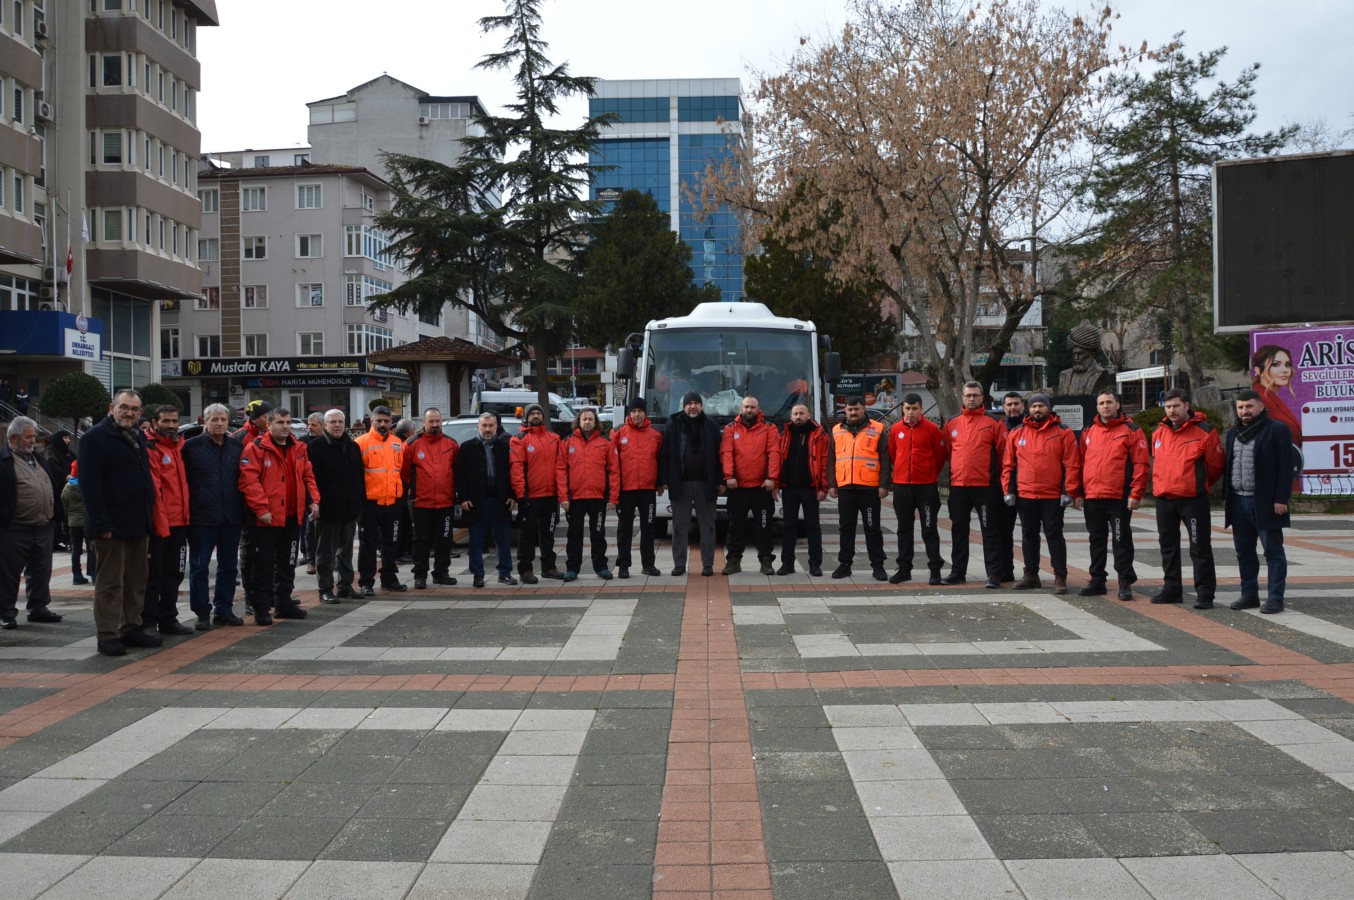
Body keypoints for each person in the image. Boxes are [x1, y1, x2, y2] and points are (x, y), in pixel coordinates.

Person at [78, 389, 160, 657]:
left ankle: (131, 627)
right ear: (111, 407)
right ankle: (108, 634)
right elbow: (90, 487)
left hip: (137, 522)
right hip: (110, 526)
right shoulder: (94, 438)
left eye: (135, 409)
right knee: (110, 583)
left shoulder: (137, 436)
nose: (130, 413)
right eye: (125, 407)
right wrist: (102, 522)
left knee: (136, 580)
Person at [238, 407, 318, 624]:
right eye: (280, 422)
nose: (285, 426)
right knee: (262, 566)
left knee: (287, 564)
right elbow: (249, 482)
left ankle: (283, 604)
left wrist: (313, 501)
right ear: (269, 425)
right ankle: (261, 609)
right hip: (266, 520)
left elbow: (307, 476)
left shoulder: (299, 448)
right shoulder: (255, 449)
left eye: (288, 422)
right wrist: (261, 509)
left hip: (292, 517)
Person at [1149, 389, 1224, 608]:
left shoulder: (1205, 431)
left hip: (1193, 500)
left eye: (1176, 406)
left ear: (1187, 405)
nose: (1172, 410)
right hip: (1164, 499)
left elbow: (1216, 465)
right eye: (1168, 406)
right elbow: (1156, 462)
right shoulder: (1158, 432)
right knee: (1168, 547)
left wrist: (1197, 483)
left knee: (1199, 547)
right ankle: (1172, 589)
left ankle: (1205, 594)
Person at [1224, 389, 1294, 614]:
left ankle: (1275, 598)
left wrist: (1281, 499)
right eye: (1241, 407)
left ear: (1260, 407)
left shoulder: (1277, 430)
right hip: (1238, 501)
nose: (1244, 411)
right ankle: (1249, 595)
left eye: (1249, 407)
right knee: (1244, 552)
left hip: (1265, 502)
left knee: (1273, 551)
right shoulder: (1233, 433)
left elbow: (1286, 467)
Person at [1003, 393, 1082, 594]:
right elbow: (1008, 465)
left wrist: (1069, 490)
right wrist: (1009, 490)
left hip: (1052, 496)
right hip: (1025, 494)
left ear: (1048, 408)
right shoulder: (1017, 433)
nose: (1037, 410)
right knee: (1028, 535)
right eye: (1034, 406)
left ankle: (1060, 576)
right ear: (1028, 409)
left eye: (1041, 406)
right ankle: (1030, 575)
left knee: (1054, 535)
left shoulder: (1063, 433)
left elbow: (1072, 464)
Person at [1075, 390, 1149, 600]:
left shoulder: (1132, 430)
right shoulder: (1088, 432)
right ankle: (1097, 580)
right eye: (1101, 403)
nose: (1105, 406)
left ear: (1118, 405)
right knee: (1096, 540)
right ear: (1097, 407)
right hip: (1092, 497)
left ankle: (1125, 581)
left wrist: (1136, 493)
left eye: (1109, 402)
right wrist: (1077, 491)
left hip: (1119, 497)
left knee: (1121, 539)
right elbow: (1080, 463)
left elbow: (1140, 464)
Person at [182, 403, 247, 629]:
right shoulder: (190, 448)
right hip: (202, 518)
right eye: (215, 419)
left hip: (231, 517)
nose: (220, 423)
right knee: (200, 567)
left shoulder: (236, 447)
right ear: (205, 421)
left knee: (229, 566)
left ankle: (224, 609)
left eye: (223, 419)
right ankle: (201, 611)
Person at [1, 417, 64, 629]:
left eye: (34, 436)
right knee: (9, 573)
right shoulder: (4, 461)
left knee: (41, 569)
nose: (33, 441)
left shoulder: (38, 457)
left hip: (43, 525)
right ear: (13, 438)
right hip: (15, 527)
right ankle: (6, 612)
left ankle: (38, 608)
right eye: (28, 437)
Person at [946, 382, 1007, 589]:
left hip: (985, 486)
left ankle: (994, 574)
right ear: (962, 398)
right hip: (959, 485)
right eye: (968, 395)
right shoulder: (952, 422)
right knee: (958, 530)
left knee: (990, 530)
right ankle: (957, 572)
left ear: (982, 397)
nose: (971, 399)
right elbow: (948, 452)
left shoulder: (993, 422)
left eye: (975, 395)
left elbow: (1001, 453)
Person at [886, 393, 949, 585]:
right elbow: (893, 455)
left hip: (926, 488)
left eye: (915, 408)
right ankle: (904, 568)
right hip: (902, 487)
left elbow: (940, 457)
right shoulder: (896, 429)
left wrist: (928, 474)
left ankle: (935, 570)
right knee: (904, 529)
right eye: (907, 408)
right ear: (902, 409)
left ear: (921, 409)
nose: (911, 412)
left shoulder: (932, 430)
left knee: (929, 529)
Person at [658, 390, 722, 577]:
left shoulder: (711, 426)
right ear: (683, 406)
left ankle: (708, 565)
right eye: (689, 403)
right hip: (680, 483)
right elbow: (665, 455)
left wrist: (720, 480)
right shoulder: (672, 425)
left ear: (701, 406)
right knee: (679, 526)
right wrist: (663, 480)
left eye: (696, 403)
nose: (692, 406)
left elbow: (720, 456)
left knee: (708, 526)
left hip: (706, 484)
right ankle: (679, 564)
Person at [827, 395, 890, 581]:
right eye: (849, 409)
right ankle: (844, 565)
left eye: (856, 409)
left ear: (864, 409)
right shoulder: (836, 430)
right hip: (846, 488)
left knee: (872, 528)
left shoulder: (877, 429)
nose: (853, 412)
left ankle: (878, 566)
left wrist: (884, 484)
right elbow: (831, 459)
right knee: (846, 528)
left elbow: (885, 459)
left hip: (869, 489)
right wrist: (832, 484)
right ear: (845, 411)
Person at [143, 405, 193, 636]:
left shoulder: (179, 446)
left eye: (175, 420)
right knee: (153, 576)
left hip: (180, 523)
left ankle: (168, 618)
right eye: (166, 421)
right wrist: (160, 525)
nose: (171, 425)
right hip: (159, 525)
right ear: (155, 422)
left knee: (175, 574)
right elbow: (154, 491)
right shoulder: (150, 447)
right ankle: (149, 622)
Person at [720, 396, 782, 576]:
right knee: (735, 526)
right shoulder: (731, 428)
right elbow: (726, 453)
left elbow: (774, 454)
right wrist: (728, 476)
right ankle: (733, 561)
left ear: (758, 409)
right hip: (737, 488)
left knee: (764, 526)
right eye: (746, 407)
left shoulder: (769, 428)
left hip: (761, 488)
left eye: (752, 407)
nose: (749, 410)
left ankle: (765, 561)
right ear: (741, 408)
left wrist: (772, 478)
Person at [308, 409, 365, 604]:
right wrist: (315, 504)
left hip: (349, 509)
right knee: (326, 553)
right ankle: (325, 589)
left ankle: (345, 586)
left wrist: (358, 502)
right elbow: (311, 479)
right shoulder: (315, 447)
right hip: (328, 510)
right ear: (325, 425)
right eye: (333, 422)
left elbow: (359, 477)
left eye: (341, 421)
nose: (338, 425)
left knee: (346, 552)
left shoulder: (352, 446)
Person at [401, 407, 459, 590]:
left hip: (445, 502)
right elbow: (404, 471)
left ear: (441, 422)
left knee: (444, 539)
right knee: (421, 540)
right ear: (423, 423)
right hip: (421, 502)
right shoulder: (412, 444)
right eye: (431, 421)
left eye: (437, 421)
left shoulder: (451, 444)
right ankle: (420, 575)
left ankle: (441, 573)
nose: (434, 424)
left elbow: (456, 470)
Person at [456, 413, 516, 588]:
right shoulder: (466, 448)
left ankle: (505, 573)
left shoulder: (505, 447)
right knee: (476, 541)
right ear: (478, 427)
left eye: (491, 425)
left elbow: (513, 473)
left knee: (503, 540)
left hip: (500, 501)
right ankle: (478, 575)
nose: (488, 429)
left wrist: (513, 495)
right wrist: (464, 497)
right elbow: (460, 476)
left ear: (496, 426)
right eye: (484, 426)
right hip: (476, 502)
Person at [355, 406, 408, 595]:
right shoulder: (360, 443)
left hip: (392, 502)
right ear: (371, 421)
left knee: (391, 542)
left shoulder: (397, 443)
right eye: (379, 421)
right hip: (369, 503)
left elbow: (401, 471)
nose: (383, 424)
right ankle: (366, 582)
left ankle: (389, 578)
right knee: (368, 544)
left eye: (386, 421)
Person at [609, 397, 663, 579]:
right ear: (629, 413)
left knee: (648, 528)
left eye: (640, 411)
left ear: (645, 413)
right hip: (626, 490)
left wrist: (660, 483)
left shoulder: (655, 434)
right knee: (625, 529)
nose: (637, 414)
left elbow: (660, 461)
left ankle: (648, 564)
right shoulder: (618, 433)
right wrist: (614, 495)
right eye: (633, 411)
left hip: (647, 490)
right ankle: (623, 564)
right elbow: (613, 466)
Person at [511, 403, 564, 583]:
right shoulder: (519, 439)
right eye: (532, 413)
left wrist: (561, 494)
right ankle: (525, 569)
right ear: (526, 417)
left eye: (538, 413)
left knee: (548, 533)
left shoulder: (554, 438)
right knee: (527, 534)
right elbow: (517, 468)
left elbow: (561, 467)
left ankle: (549, 567)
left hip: (550, 496)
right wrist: (520, 494)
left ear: (543, 417)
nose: (535, 416)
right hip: (530, 497)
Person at [558, 407, 613, 581]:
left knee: (598, 533)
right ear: (578, 422)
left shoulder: (605, 442)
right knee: (574, 534)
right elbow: (560, 471)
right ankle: (573, 568)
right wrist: (563, 497)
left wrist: (613, 498)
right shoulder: (568, 442)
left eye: (590, 419)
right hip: (575, 498)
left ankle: (601, 567)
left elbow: (614, 471)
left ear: (595, 422)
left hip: (598, 497)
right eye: (584, 419)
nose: (587, 422)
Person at [777, 402, 829, 577]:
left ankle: (815, 564)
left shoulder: (819, 434)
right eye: (795, 414)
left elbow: (824, 462)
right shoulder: (784, 434)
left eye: (801, 413)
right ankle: (787, 564)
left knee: (812, 526)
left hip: (810, 488)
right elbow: (778, 461)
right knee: (789, 527)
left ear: (809, 415)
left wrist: (823, 486)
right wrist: (776, 484)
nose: (798, 417)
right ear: (791, 417)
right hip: (789, 488)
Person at [996, 392, 1026, 583]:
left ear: (1023, 405)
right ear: (1003, 407)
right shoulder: (999, 428)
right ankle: (1006, 570)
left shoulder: (1030, 426)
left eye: (1016, 404)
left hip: (1026, 486)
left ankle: (1031, 571)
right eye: (1009, 404)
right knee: (1003, 531)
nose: (1013, 407)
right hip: (1005, 486)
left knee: (1029, 532)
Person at [299, 412, 325, 575]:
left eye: (314, 424)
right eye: (309, 424)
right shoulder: (303, 442)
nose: (310, 427)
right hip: (308, 489)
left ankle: (328, 558)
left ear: (323, 425)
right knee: (310, 527)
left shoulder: (329, 441)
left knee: (329, 527)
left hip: (327, 489)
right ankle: (311, 560)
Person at [1057, 322, 1114, 396]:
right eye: (1074, 354)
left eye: (1080, 354)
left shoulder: (1100, 373)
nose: (1076, 358)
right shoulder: (1064, 375)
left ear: (1092, 354)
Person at [62, 461, 95, 586]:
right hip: (87, 522)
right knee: (91, 549)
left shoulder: (67, 488)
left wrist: (66, 522)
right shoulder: (87, 486)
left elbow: (64, 507)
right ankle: (93, 574)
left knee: (76, 550)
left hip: (73, 523)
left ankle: (77, 575)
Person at [44, 429, 75, 552]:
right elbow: (51, 466)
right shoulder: (50, 451)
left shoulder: (69, 453)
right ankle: (55, 542)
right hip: (56, 488)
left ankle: (67, 540)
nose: (67, 440)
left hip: (69, 488)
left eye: (68, 438)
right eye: (65, 438)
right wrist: (65, 476)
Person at [394, 417, 418, 563]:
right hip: (401, 491)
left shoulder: (395, 441)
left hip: (398, 491)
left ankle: (402, 551)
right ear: (409, 433)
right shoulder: (402, 444)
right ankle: (401, 552)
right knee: (403, 524)